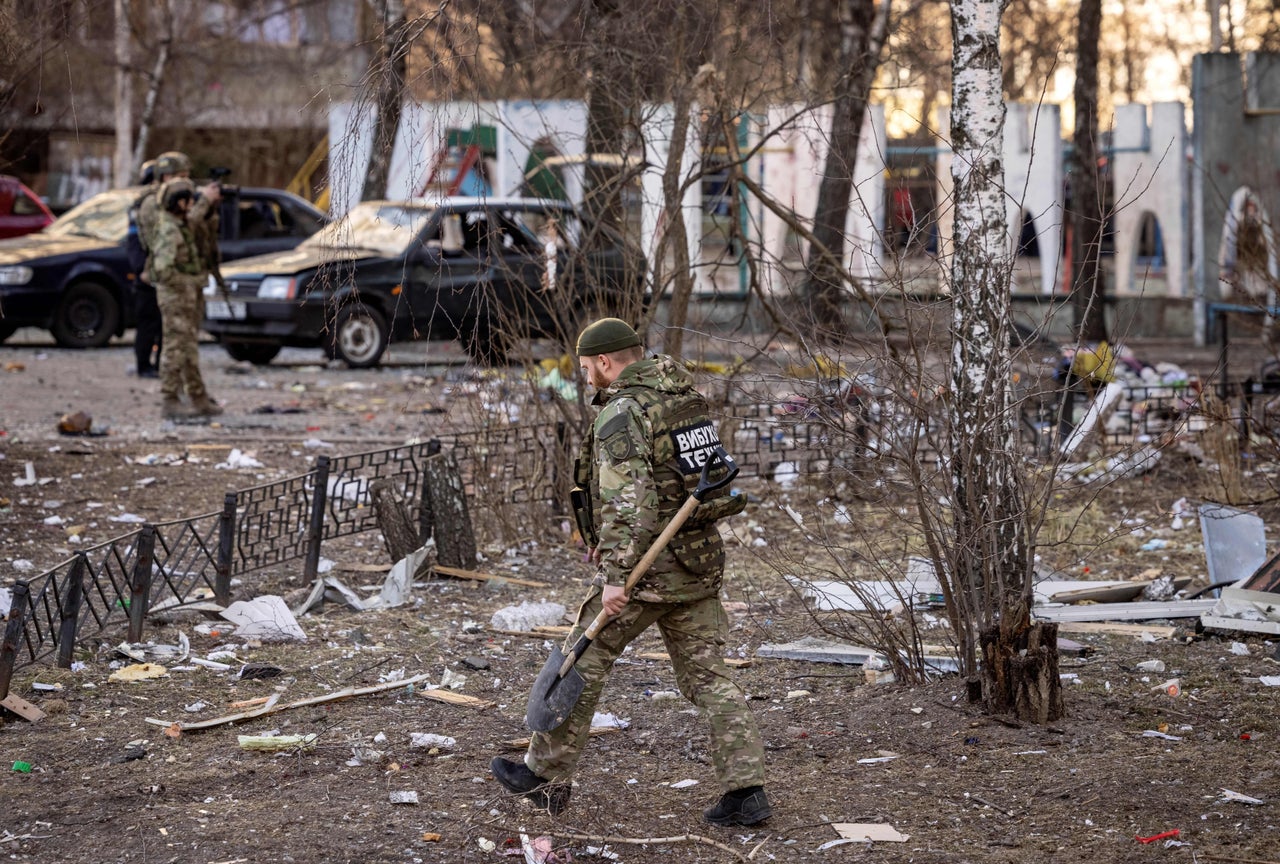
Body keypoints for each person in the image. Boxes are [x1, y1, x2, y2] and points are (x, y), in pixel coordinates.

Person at [490, 318, 770, 827]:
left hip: (647, 572)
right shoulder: (684, 398)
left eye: (585, 365)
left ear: (604, 361)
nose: (585, 375)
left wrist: (618, 576)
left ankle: (544, 777)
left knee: (579, 662)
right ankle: (746, 792)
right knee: (710, 679)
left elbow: (628, 501)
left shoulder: (622, 412)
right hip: (698, 564)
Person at [148, 178, 221, 420]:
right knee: (174, 348)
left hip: (185, 298)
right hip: (175, 298)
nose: (192, 204)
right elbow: (162, 270)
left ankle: (198, 397)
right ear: (179, 202)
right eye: (189, 200)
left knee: (189, 349)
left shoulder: (180, 225)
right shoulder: (170, 230)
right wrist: (188, 282)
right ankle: (170, 399)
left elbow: (199, 221)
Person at [128, 159, 161, 378]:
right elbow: (135, 243)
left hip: (156, 273)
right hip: (148, 276)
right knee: (148, 323)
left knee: (157, 325)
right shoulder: (144, 205)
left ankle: (156, 365)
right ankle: (144, 365)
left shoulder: (148, 203)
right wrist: (142, 269)